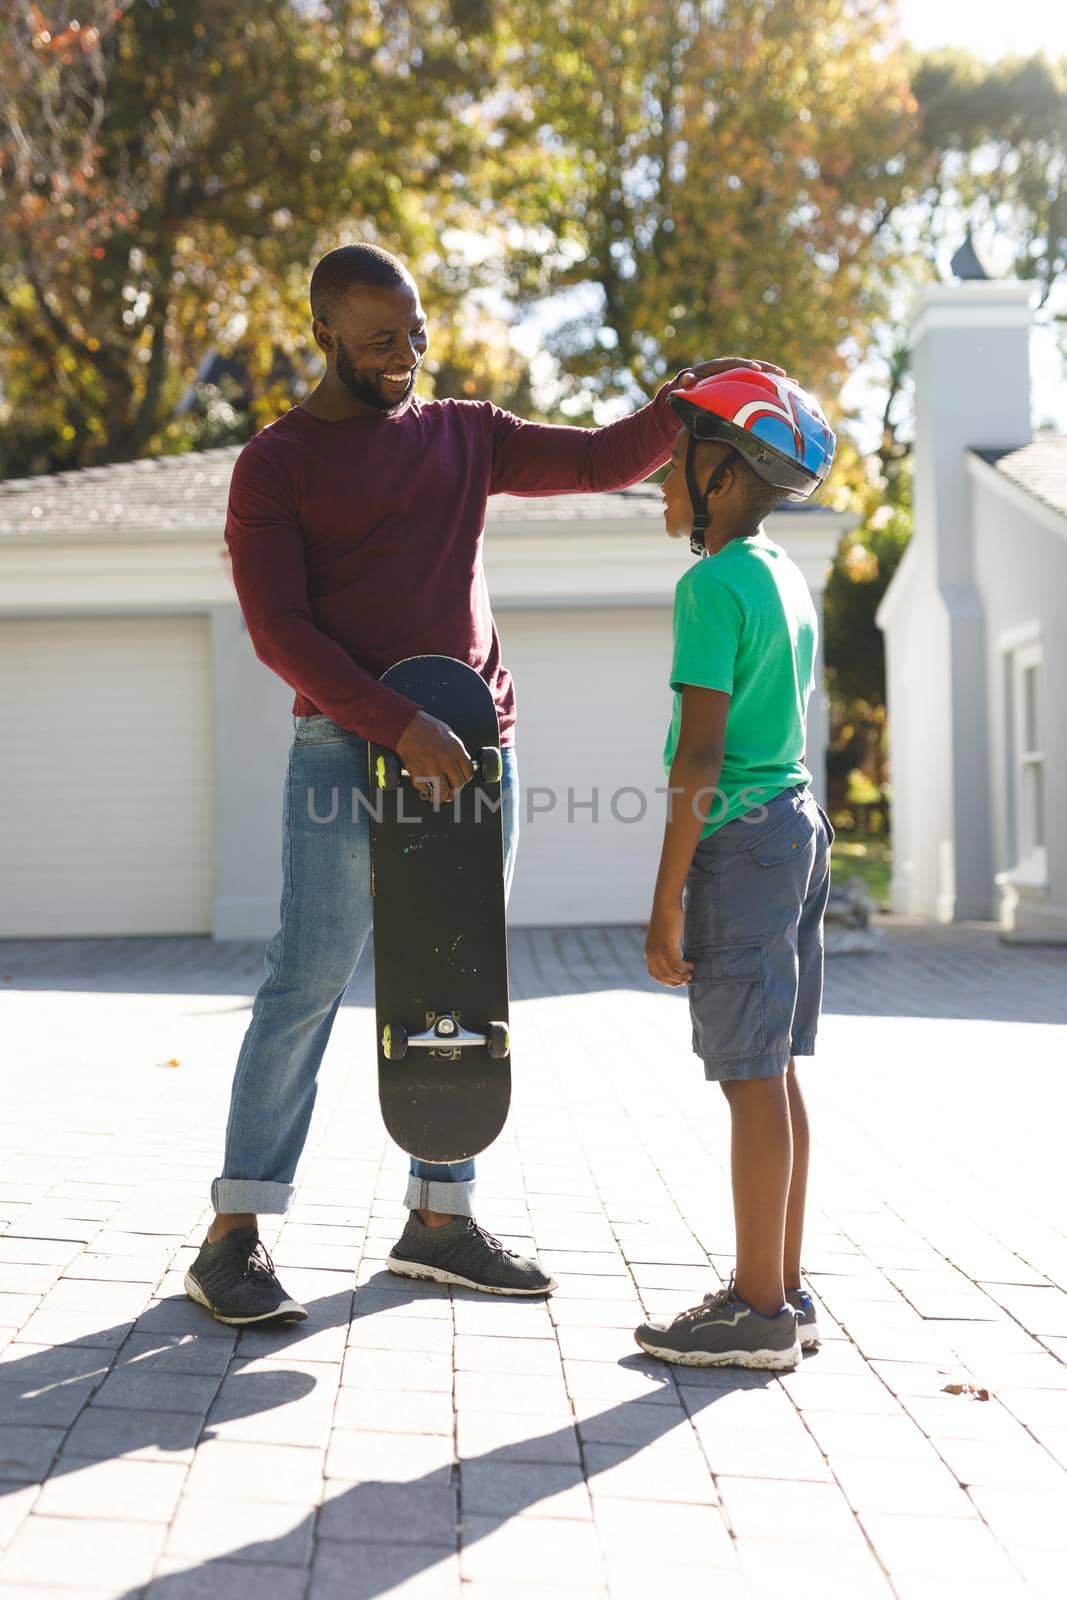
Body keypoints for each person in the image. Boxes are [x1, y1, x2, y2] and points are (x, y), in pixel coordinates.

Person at [184, 241, 781, 1325]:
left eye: (415, 333)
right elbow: (280, 631)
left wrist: (680, 402)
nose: (405, 356)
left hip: (476, 753)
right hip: (346, 750)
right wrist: (395, 722)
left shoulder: (463, 434)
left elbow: (602, 458)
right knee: (305, 980)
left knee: (455, 989)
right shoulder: (274, 465)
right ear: (322, 334)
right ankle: (234, 1230)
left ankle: (440, 1219)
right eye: (378, 341)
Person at [634, 367, 837, 1371]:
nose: (659, 486)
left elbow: (699, 755)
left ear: (718, 475)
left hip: (742, 837)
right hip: (796, 825)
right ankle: (780, 1288)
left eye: (672, 465)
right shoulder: (781, 575)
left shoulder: (708, 585)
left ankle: (755, 1312)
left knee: (748, 1073)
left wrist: (667, 895)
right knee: (775, 1067)